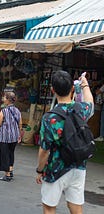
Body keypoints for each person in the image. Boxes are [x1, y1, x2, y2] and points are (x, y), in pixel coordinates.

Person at [36, 70, 93, 214]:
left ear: (52, 90)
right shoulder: (81, 109)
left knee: (49, 207)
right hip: (78, 166)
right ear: (73, 88)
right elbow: (90, 103)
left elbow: (44, 150)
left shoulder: (49, 118)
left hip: (56, 167)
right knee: (76, 206)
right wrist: (85, 85)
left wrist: (40, 170)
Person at [0, 90, 22, 182]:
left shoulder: (4, 111)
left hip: (5, 136)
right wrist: (20, 134)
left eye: (4, 97)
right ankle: (11, 169)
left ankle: (7, 174)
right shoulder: (17, 110)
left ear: (8, 100)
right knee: (11, 153)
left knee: (4, 154)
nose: (3, 99)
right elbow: (20, 123)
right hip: (14, 135)